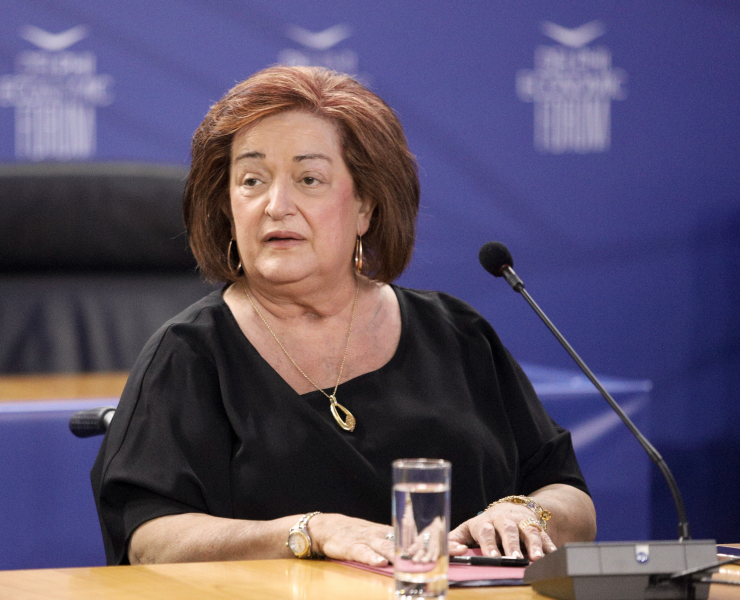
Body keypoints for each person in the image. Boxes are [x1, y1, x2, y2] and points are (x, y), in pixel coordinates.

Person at [91, 65, 596, 568]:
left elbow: (568, 495)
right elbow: (148, 539)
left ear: (365, 207)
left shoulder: (456, 334)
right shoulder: (188, 355)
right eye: (252, 181)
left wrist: (526, 513)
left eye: (309, 179)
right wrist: (309, 532)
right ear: (227, 206)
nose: (275, 205)